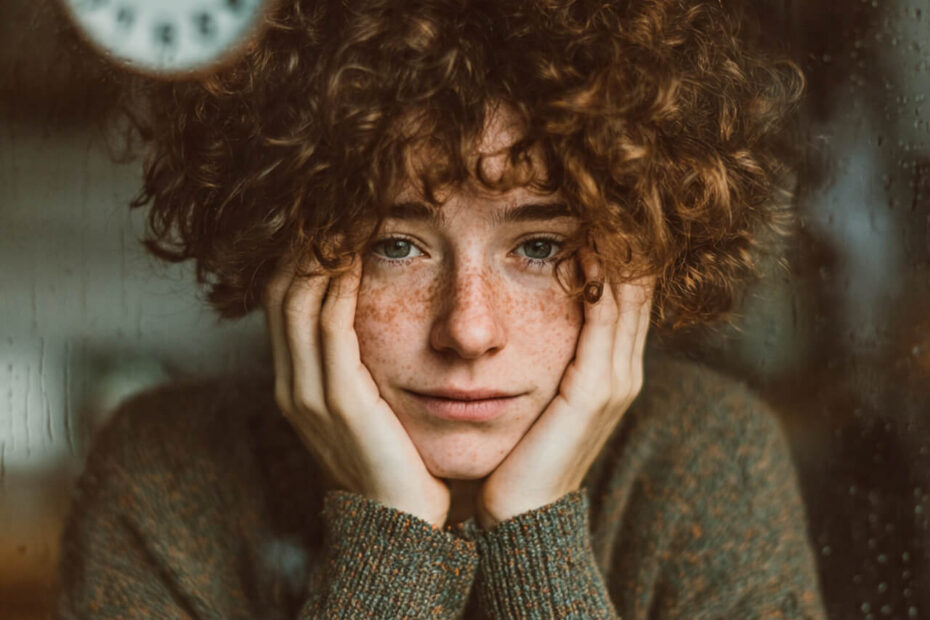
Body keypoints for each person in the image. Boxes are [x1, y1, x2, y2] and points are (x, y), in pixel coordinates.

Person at [57, 0, 826, 617]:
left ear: (636, 254)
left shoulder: (708, 459)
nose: (467, 329)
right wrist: (388, 546)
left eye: (539, 248)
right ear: (289, 249)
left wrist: (538, 536)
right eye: (396, 245)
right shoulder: (164, 472)